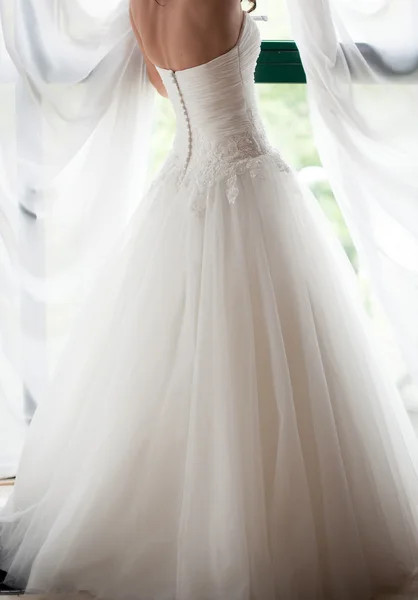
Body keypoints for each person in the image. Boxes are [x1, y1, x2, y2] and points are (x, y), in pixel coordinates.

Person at [2, 0, 418, 598]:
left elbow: (168, 86)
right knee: (257, 359)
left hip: (182, 180)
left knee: (178, 363)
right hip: (245, 180)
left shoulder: (143, 6)